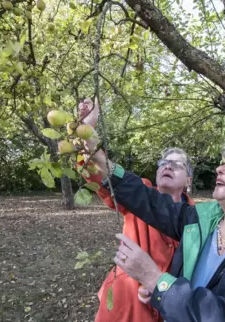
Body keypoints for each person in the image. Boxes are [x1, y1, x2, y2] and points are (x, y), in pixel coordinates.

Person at [84, 127, 225, 321]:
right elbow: (144, 197)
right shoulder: (200, 220)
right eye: (222, 164)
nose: (219, 169)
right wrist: (98, 156)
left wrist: (157, 282)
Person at [77, 99, 195, 322]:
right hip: (125, 306)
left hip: (167, 310)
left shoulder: (199, 216)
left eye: (176, 164)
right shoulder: (138, 191)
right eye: (163, 163)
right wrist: (85, 131)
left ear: (188, 180)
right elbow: (95, 172)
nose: (167, 166)